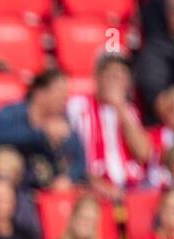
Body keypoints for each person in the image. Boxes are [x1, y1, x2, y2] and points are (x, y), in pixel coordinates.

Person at [65, 54, 152, 198]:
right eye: (111, 76)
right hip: (91, 185)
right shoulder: (77, 105)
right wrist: (95, 183)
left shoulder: (129, 111)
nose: (115, 82)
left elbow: (143, 153)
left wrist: (120, 108)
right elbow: (70, 152)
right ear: (98, 78)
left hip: (131, 187)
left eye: (121, 77)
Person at [0, 69, 85, 191]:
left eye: (66, 93)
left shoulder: (62, 122)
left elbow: (80, 159)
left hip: (46, 183)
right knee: (5, 160)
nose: (64, 98)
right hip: (12, 185)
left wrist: (69, 178)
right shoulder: (11, 112)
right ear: (39, 93)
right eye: (59, 91)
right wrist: (41, 134)